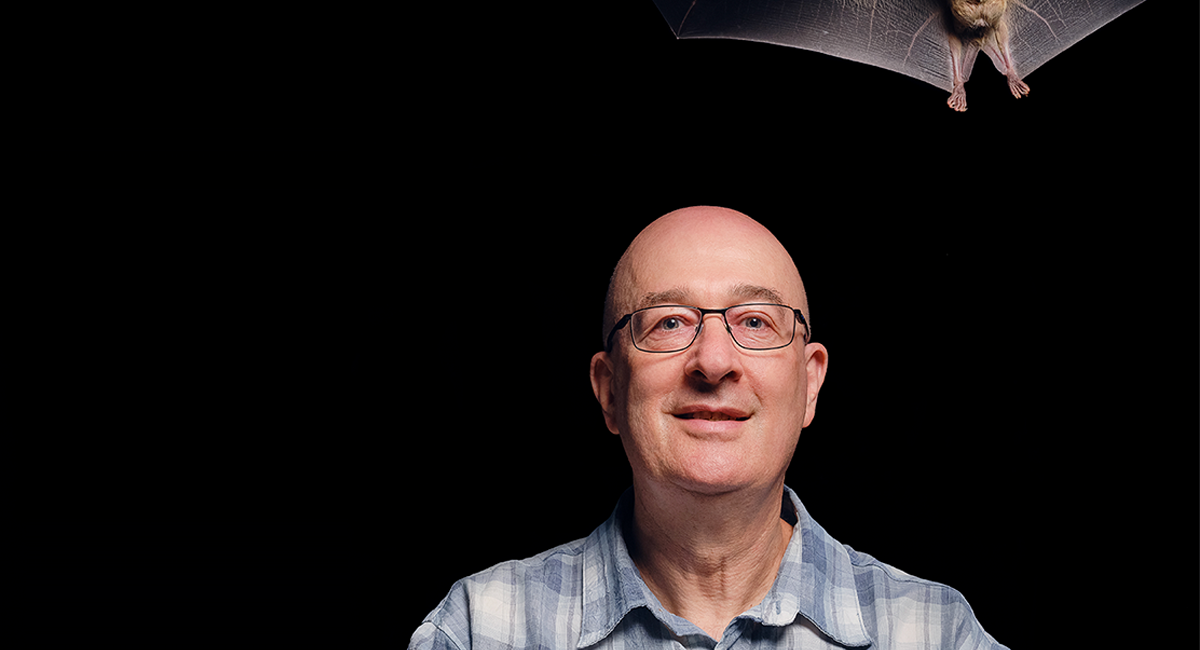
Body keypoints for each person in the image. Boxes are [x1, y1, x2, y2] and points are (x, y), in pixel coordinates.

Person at [410, 206, 1007, 649]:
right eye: (669, 323)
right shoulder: (477, 628)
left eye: (755, 321)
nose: (714, 362)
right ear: (610, 391)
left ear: (810, 384)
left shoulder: (936, 632)